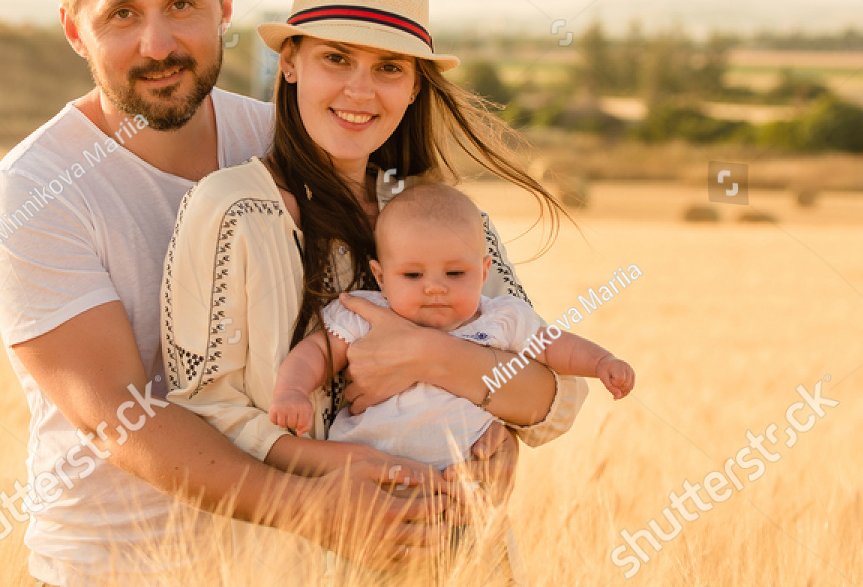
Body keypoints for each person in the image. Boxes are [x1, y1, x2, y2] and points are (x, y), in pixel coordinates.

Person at [0, 0, 488, 587]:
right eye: (122, 13)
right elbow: (117, 415)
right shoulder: (36, 192)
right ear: (74, 29)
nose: (157, 42)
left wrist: (494, 435)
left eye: (181, 4)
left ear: (222, 3)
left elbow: (435, 305)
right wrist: (314, 507)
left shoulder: (291, 141)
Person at [161, 0, 589, 584]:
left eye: (390, 67)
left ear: (415, 85)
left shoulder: (449, 220)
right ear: (291, 64)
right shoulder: (231, 210)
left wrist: (427, 357)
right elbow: (202, 411)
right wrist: (334, 467)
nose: (360, 91)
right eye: (336, 58)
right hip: (302, 582)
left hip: (463, 578)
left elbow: (552, 393)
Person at [271, 181, 635, 474]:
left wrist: (602, 362)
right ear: (380, 277)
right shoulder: (367, 312)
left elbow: (556, 347)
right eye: (412, 275)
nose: (434, 287)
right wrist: (292, 390)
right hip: (369, 476)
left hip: (460, 481)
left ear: (484, 271)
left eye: (455, 273)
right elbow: (318, 352)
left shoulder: (500, 318)